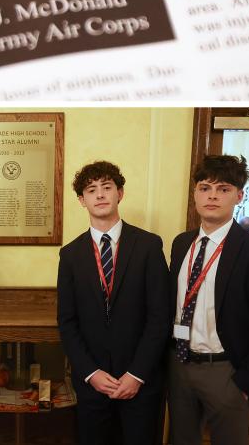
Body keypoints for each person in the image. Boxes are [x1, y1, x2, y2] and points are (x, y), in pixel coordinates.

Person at [56, 161, 171, 444]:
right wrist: (91, 373)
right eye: (91, 190)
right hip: (93, 382)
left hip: (140, 381)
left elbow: (160, 316)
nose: (100, 195)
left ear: (120, 193)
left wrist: (137, 374)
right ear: (82, 200)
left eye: (107, 187)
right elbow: (67, 321)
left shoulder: (149, 246)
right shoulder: (70, 255)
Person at [168, 155, 249, 445]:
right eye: (205, 188)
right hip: (180, 366)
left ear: (239, 195)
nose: (213, 196)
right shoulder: (182, 244)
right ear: (195, 194)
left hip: (226, 371)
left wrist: (246, 382)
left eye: (223, 189)